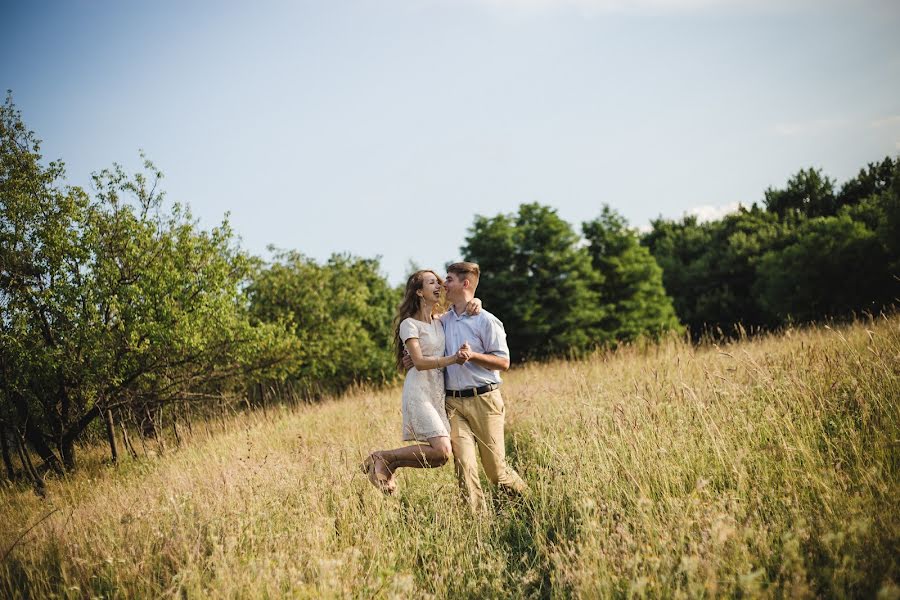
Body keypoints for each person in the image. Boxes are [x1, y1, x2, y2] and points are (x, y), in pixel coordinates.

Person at [407, 262, 528, 512]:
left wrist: (472, 356)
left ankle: (529, 504)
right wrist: (413, 357)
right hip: (453, 404)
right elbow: (423, 338)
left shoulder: (486, 320)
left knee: (496, 472)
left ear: (465, 284)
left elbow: (503, 362)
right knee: (465, 469)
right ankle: (477, 526)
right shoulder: (442, 321)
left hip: (484, 400)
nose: (443, 284)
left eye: (448, 279)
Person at [360, 270, 475, 494]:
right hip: (419, 391)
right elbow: (420, 363)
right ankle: (382, 457)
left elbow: (465, 303)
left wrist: (476, 301)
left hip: (437, 392)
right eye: (432, 282)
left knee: (441, 457)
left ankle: (387, 462)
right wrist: (454, 359)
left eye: (439, 282)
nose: (439, 286)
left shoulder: (440, 321)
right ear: (420, 292)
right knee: (442, 450)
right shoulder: (409, 325)